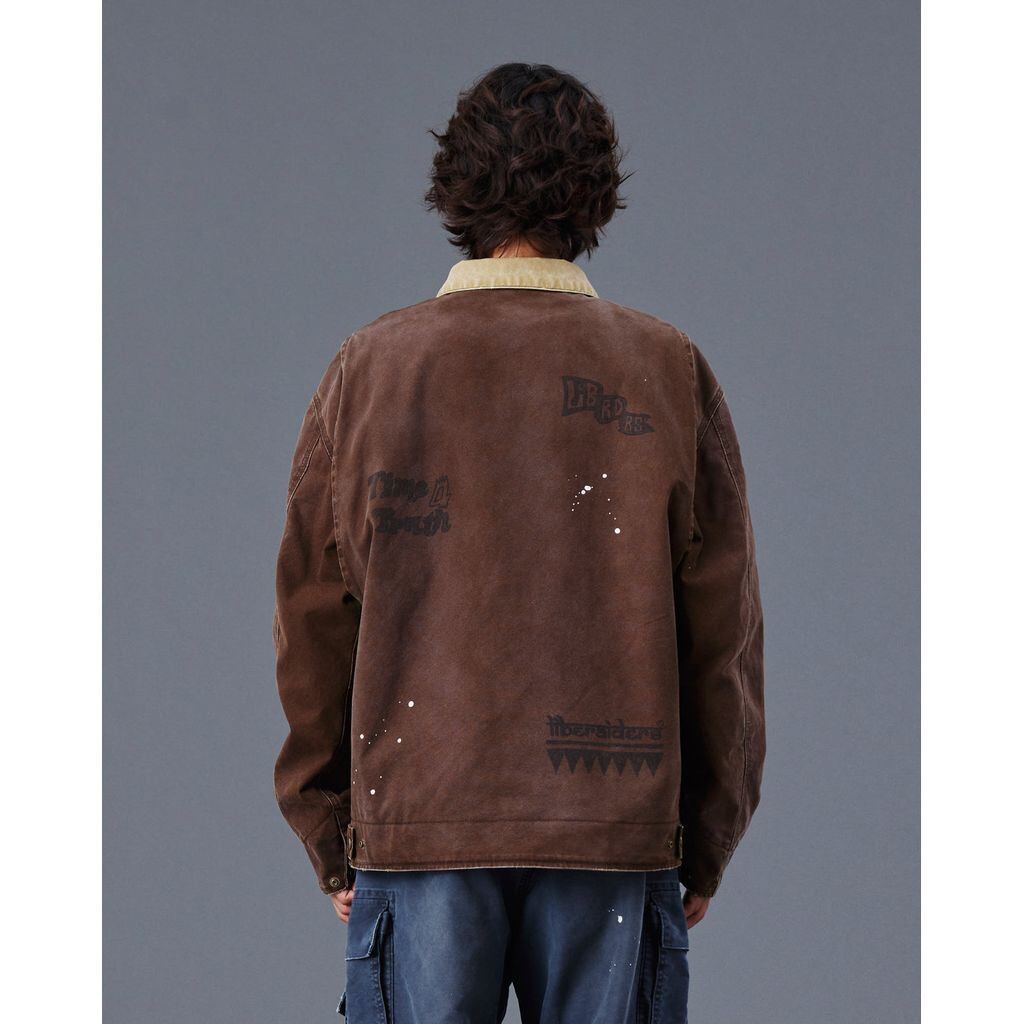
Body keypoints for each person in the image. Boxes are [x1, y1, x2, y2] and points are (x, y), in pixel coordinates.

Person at [273, 62, 765, 1024]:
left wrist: (332, 832)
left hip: (421, 823)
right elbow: (724, 639)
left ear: (453, 190)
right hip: (613, 831)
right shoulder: (667, 370)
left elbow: (313, 619)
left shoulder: (369, 370)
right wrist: (704, 839)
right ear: (597, 198)